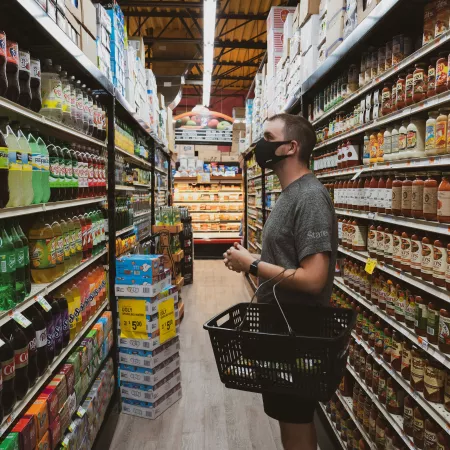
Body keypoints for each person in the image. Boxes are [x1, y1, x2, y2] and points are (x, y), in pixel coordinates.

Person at [223, 113, 337, 450]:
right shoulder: (289, 194)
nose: (261, 144)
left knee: (297, 416)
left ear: (291, 146)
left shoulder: (310, 197)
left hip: (298, 331)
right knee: (290, 415)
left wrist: (252, 264)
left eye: (268, 137)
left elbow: (315, 278)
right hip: (283, 326)